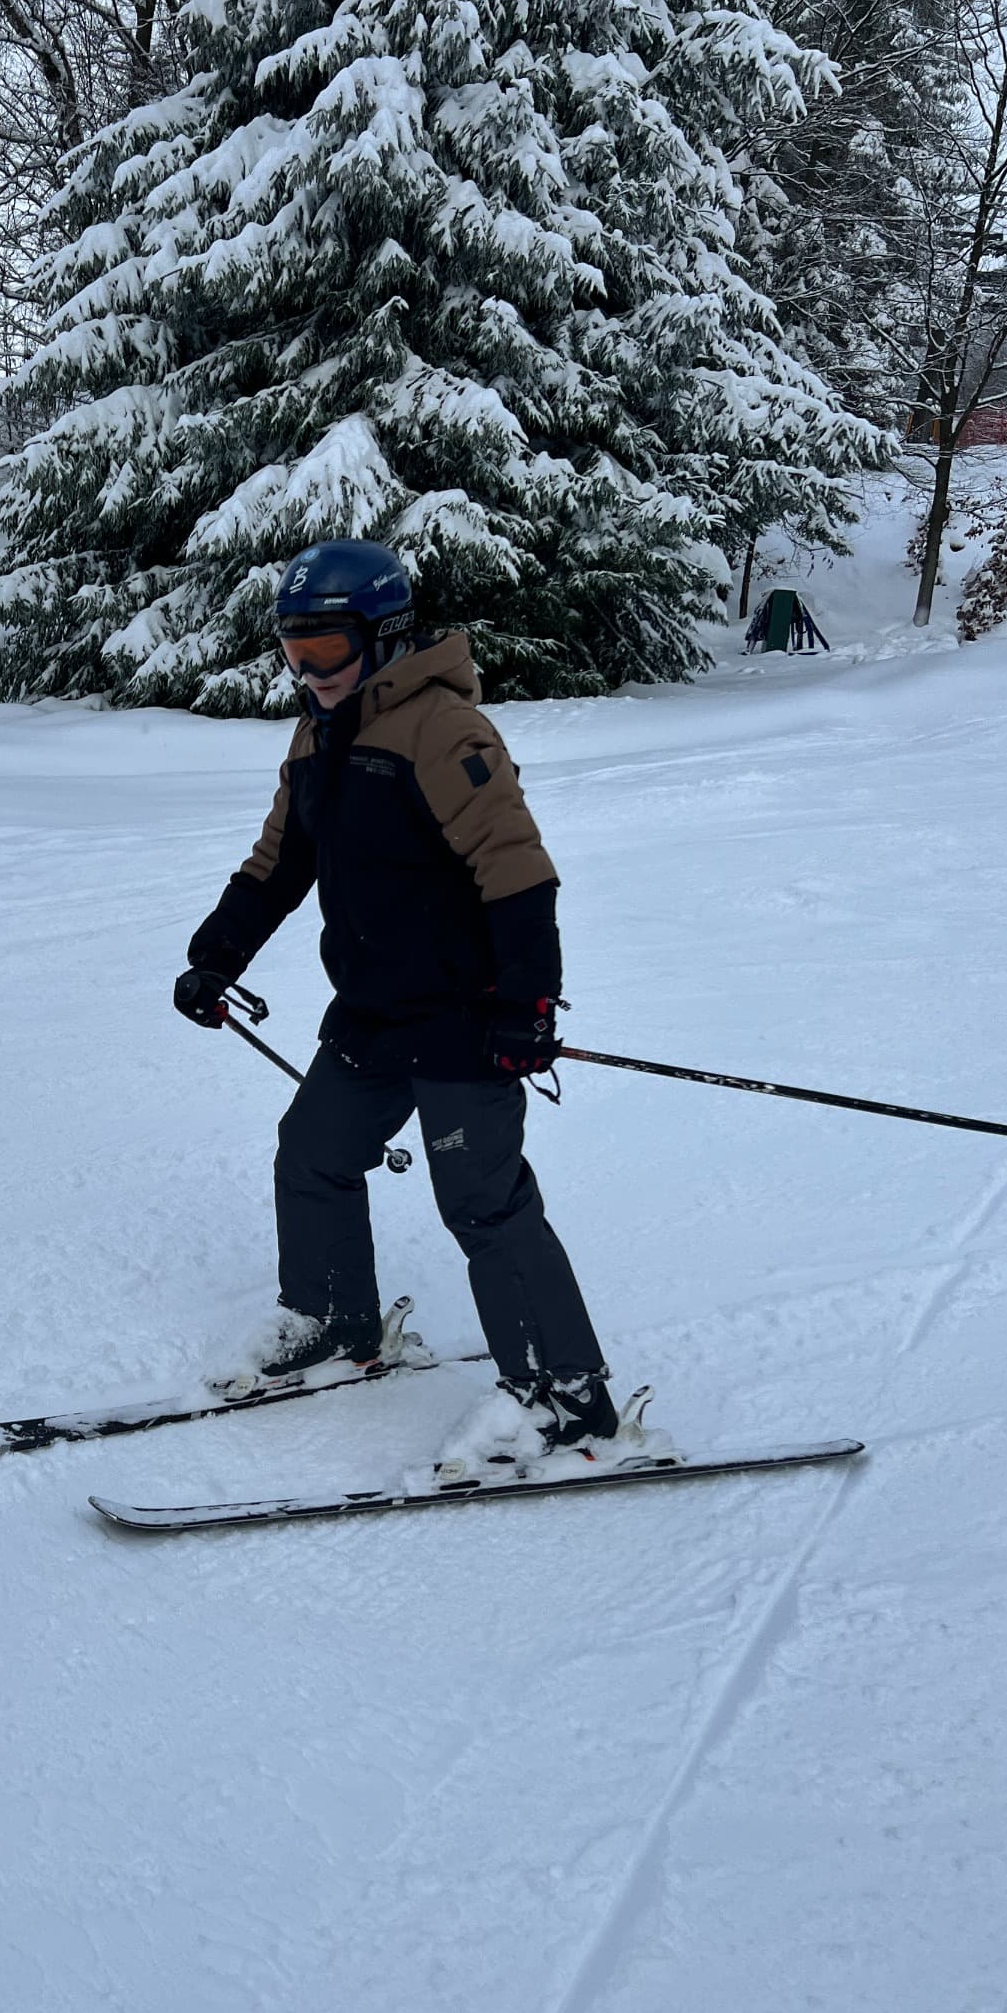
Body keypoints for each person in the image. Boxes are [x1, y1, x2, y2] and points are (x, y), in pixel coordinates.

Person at [172, 539, 617, 1451]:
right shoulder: (316, 735)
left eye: (326, 649)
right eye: (293, 651)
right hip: (372, 1012)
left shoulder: (444, 730)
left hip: (464, 1019)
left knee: (483, 1203)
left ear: (383, 636)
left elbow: (516, 870)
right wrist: (216, 957)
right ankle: (334, 1319)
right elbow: (279, 863)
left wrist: (529, 1006)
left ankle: (563, 1394)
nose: (309, 672)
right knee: (313, 1152)